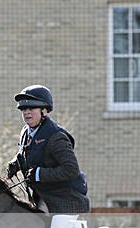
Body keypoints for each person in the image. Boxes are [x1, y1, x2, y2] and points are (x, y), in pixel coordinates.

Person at [7, 85, 90, 214]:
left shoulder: (56, 137)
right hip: (43, 199)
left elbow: (71, 169)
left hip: (66, 201)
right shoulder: (25, 132)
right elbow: (26, 153)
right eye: (23, 109)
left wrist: (39, 174)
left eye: (31, 108)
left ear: (44, 111)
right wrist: (15, 164)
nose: (26, 112)